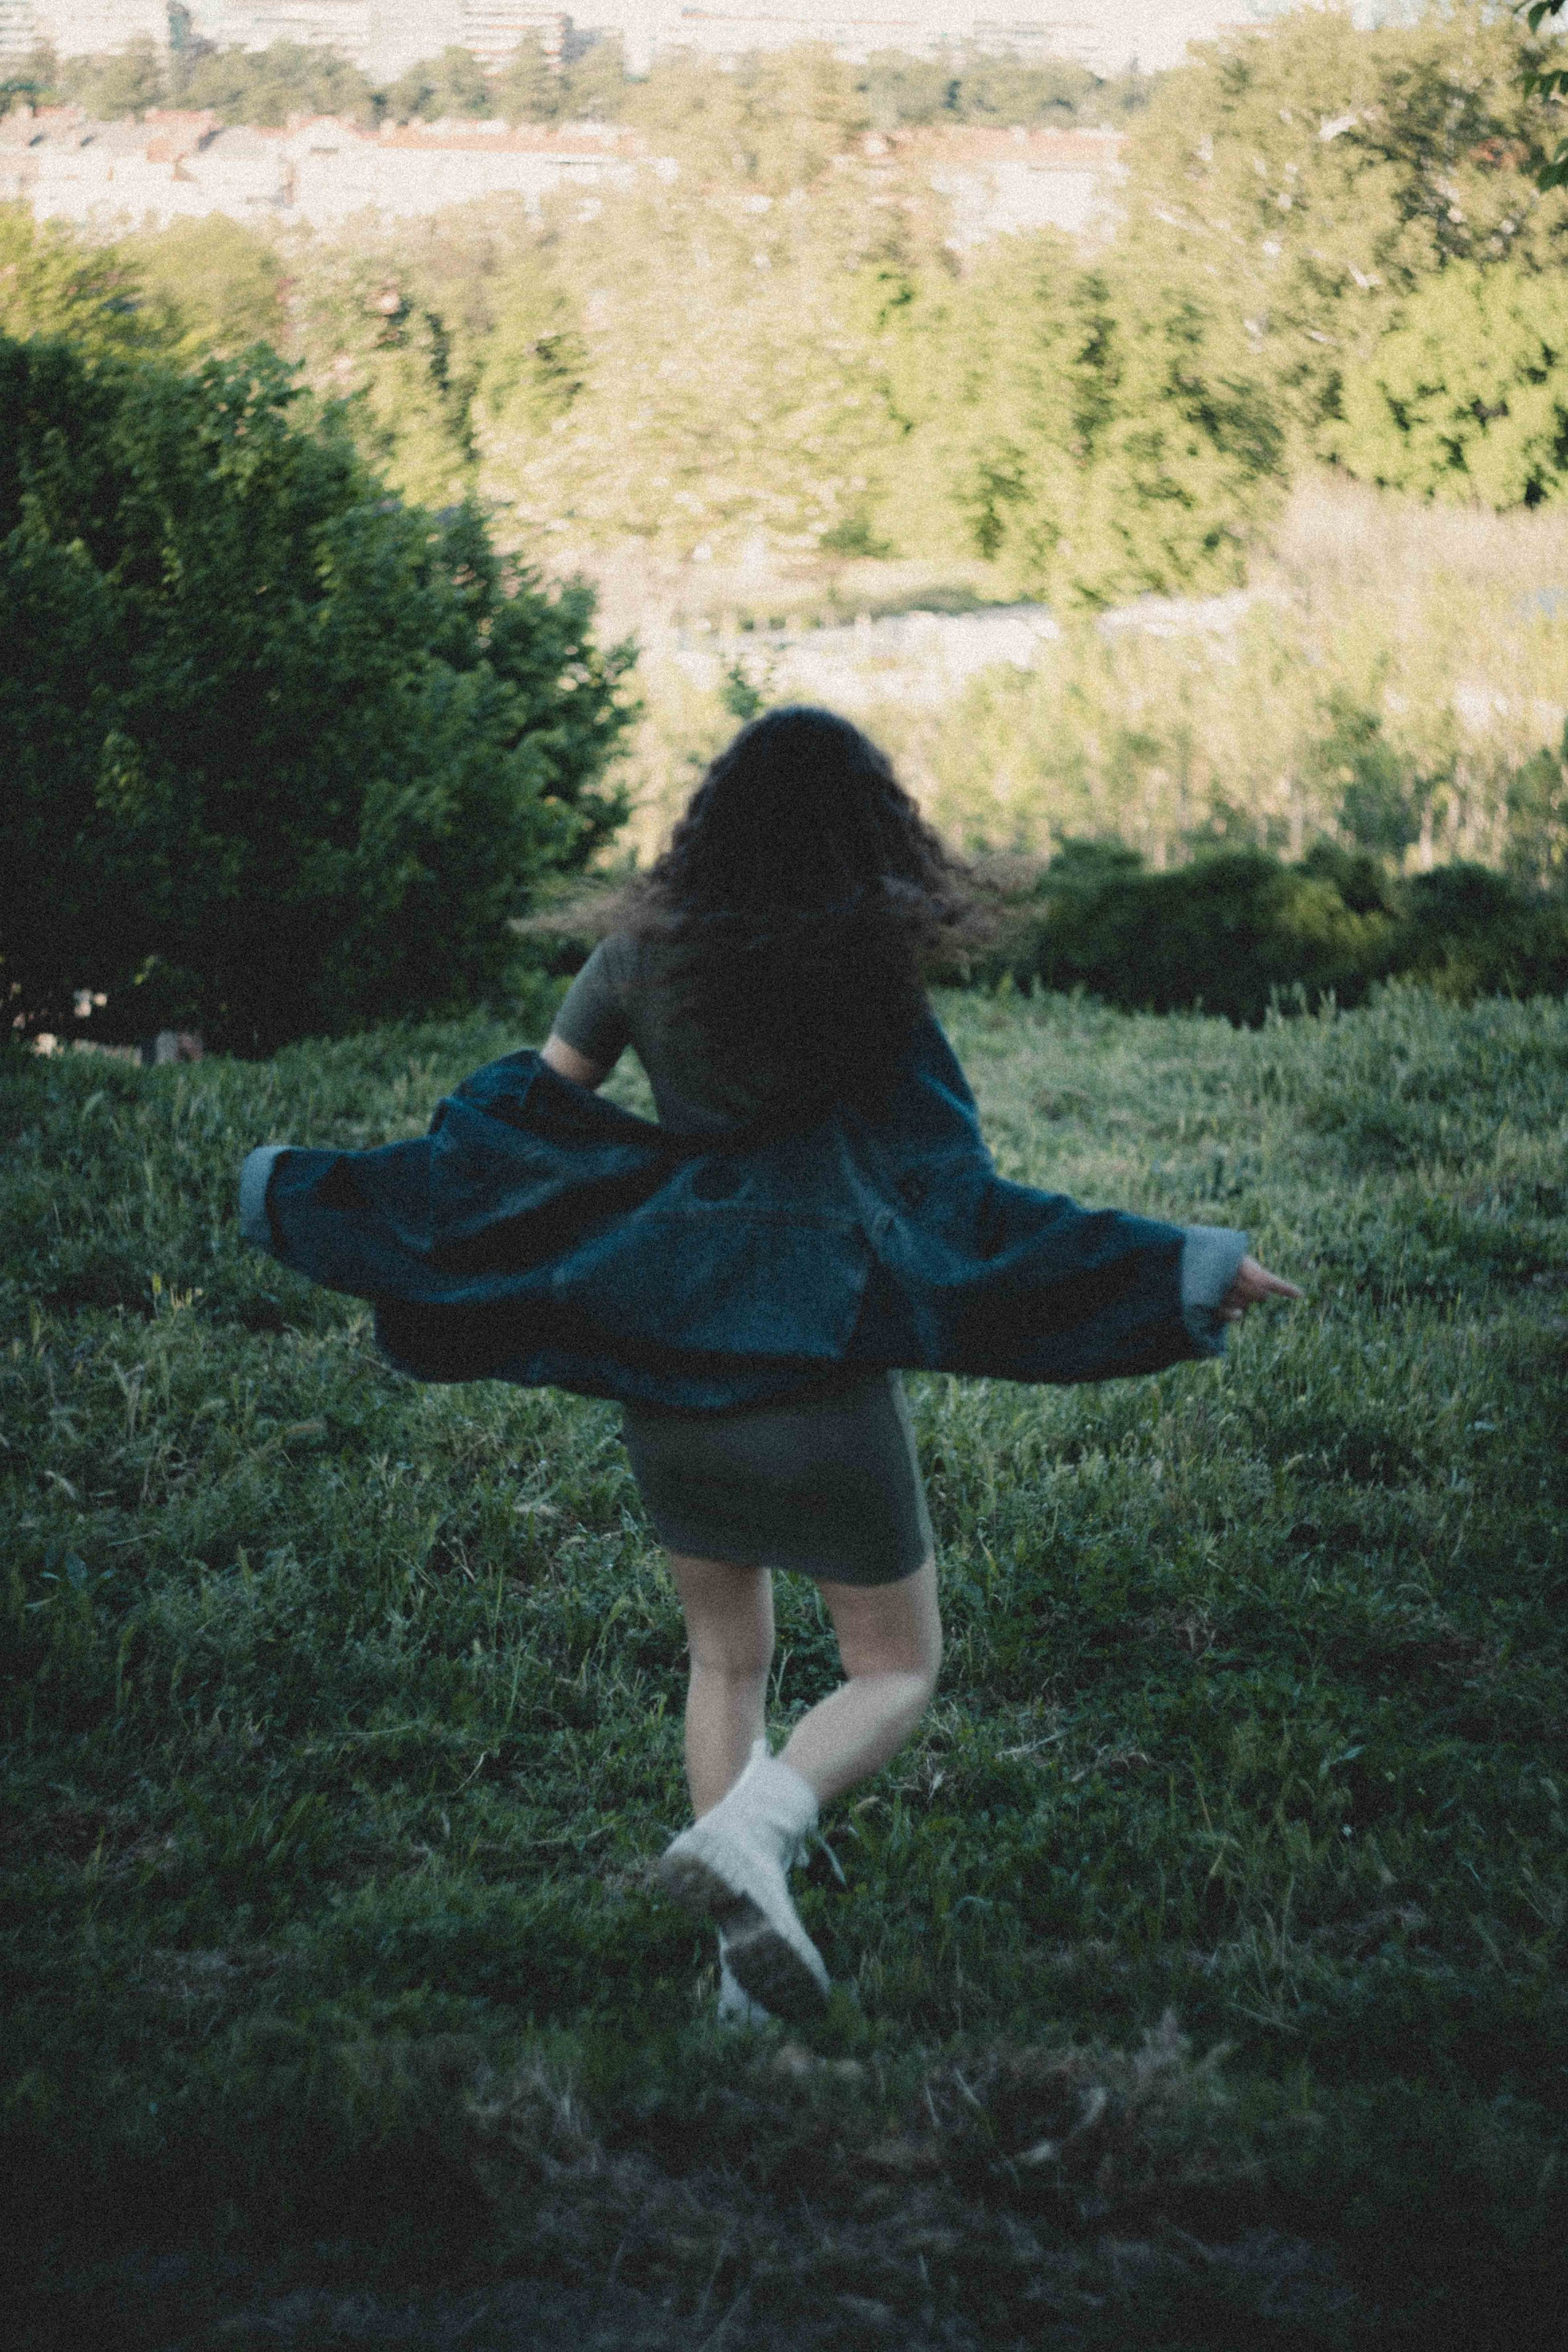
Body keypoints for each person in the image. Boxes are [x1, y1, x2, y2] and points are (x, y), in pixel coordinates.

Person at [239, 704, 1300, 2030]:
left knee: (723, 1659)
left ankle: (741, 1961)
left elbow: (518, 1127)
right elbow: (956, 1207)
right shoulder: (866, 977)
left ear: (712, 824)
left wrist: (323, 1195)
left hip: (668, 1368)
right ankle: (768, 1832)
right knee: (893, 1671)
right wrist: (1182, 1270)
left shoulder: (633, 956)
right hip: (819, 1379)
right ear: (869, 836)